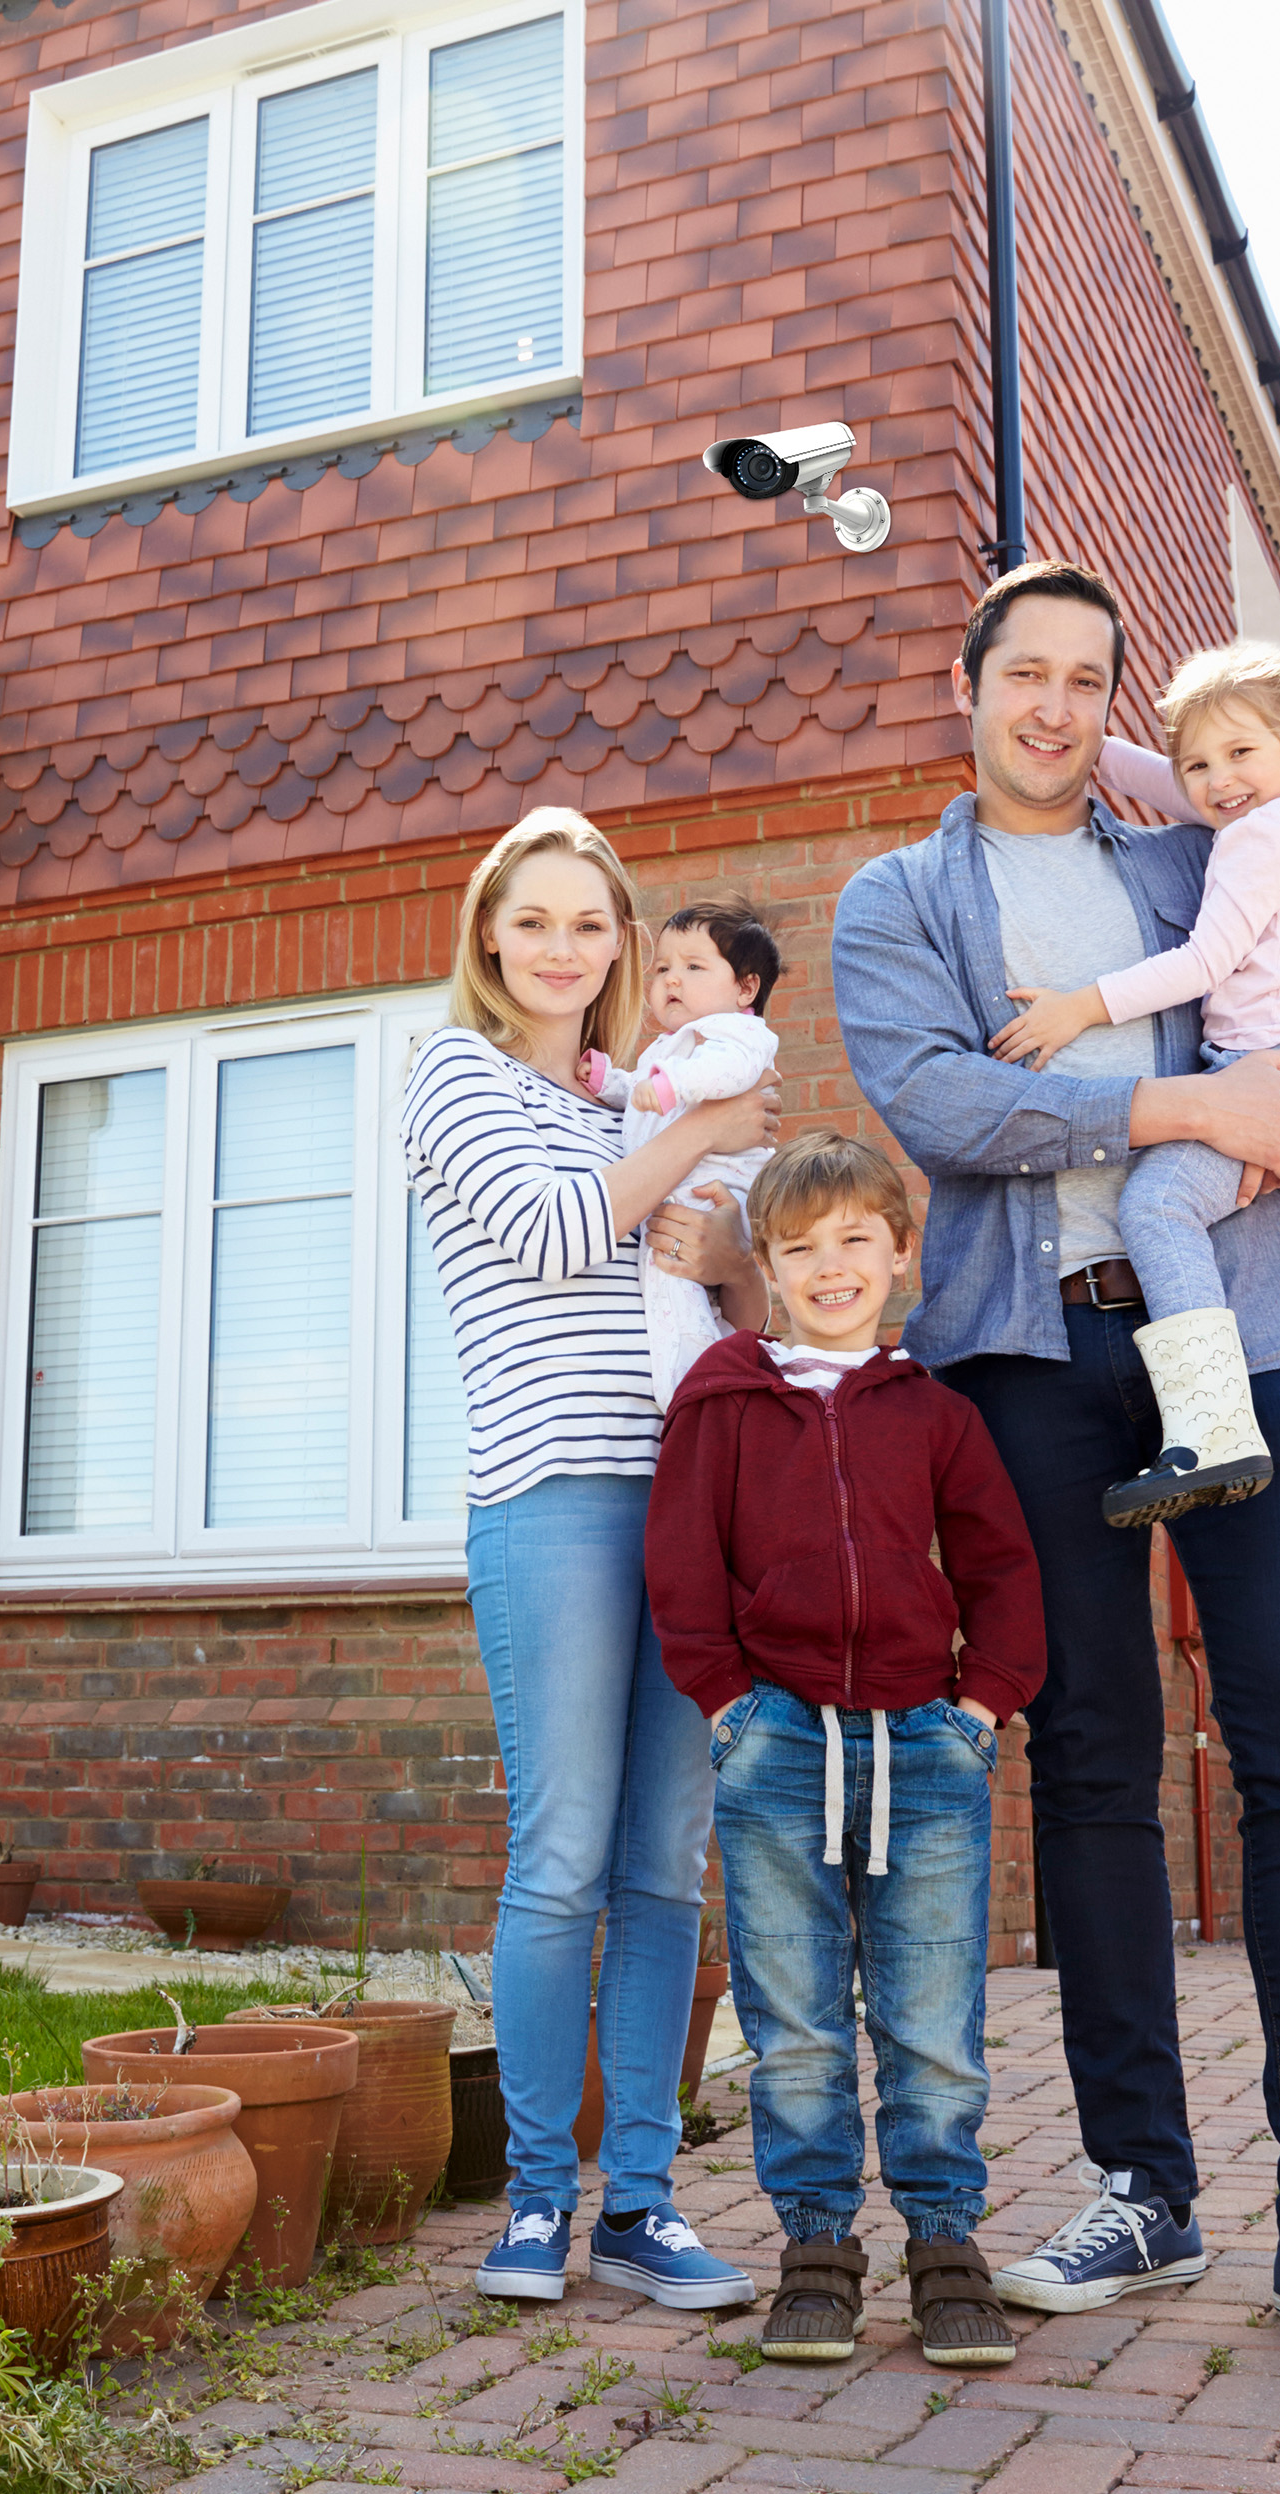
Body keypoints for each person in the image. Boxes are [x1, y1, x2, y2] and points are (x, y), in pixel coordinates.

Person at [832, 561, 1280, 2364]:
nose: (1054, 707)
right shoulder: (899, 899)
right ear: (968, 686)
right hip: (1035, 1358)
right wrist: (1185, 1104)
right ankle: (1141, 2184)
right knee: (1091, 1760)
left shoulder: (1189, 851)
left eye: (1087, 678)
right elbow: (944, 1105)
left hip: (1250, 1331)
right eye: (1026, 673)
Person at [401, 806, 776, 2312]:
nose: (562, 949)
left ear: (622, 942)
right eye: (534, 921)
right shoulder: (455, 1071)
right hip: (550, 1498)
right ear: (490, 938)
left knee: (665, 1866)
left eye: (590, 923)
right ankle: (536, 2203)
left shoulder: (635, 1095)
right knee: (560, 1861)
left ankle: (645, 2203)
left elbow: (735, 1297)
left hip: (688, 1499)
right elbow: (559, 1236)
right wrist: (702, 1137)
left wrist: (728, 1233)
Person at [645, 1131, 1045, 2368]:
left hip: (927, 1748)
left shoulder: (935, 1413)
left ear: (900, 1252)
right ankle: (816, 2250)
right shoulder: (722, 1402)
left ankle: (946, 2244)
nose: (831, 1266)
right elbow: (681, 1564)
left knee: (931, 2020)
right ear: (765, 1266)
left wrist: (984, 1706)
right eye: (801, 1247)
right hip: (775, 1744)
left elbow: (1000, 1564)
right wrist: (726, 1702)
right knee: (797, 2021)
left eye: (856, 1240)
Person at [985, 641, 1280, 1527]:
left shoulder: (1259, 838)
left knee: (1158, 1209)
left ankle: (1208, 1433)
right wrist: (1089, 742)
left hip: (1276, 1088)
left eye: (1238, 753)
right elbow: (1175, 789)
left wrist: (1077, 1009)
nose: (1216, 780)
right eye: (1198, 763)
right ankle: (1263, 1446)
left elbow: (1205, 961)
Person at [583, 898, 787, 1409]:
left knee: (670, 1281)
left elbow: (728, 1074)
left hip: (714, 1191)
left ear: (746, 989)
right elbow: (644, 1098)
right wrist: (612, 1084)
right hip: (683, 1190)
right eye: (662, 969)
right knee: (678, 1287)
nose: (672, 979)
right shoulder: (671, 1046)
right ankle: (706, 1376)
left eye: (694, 967)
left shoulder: (739, 1033)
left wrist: (672, 1084)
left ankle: (693, 1389)